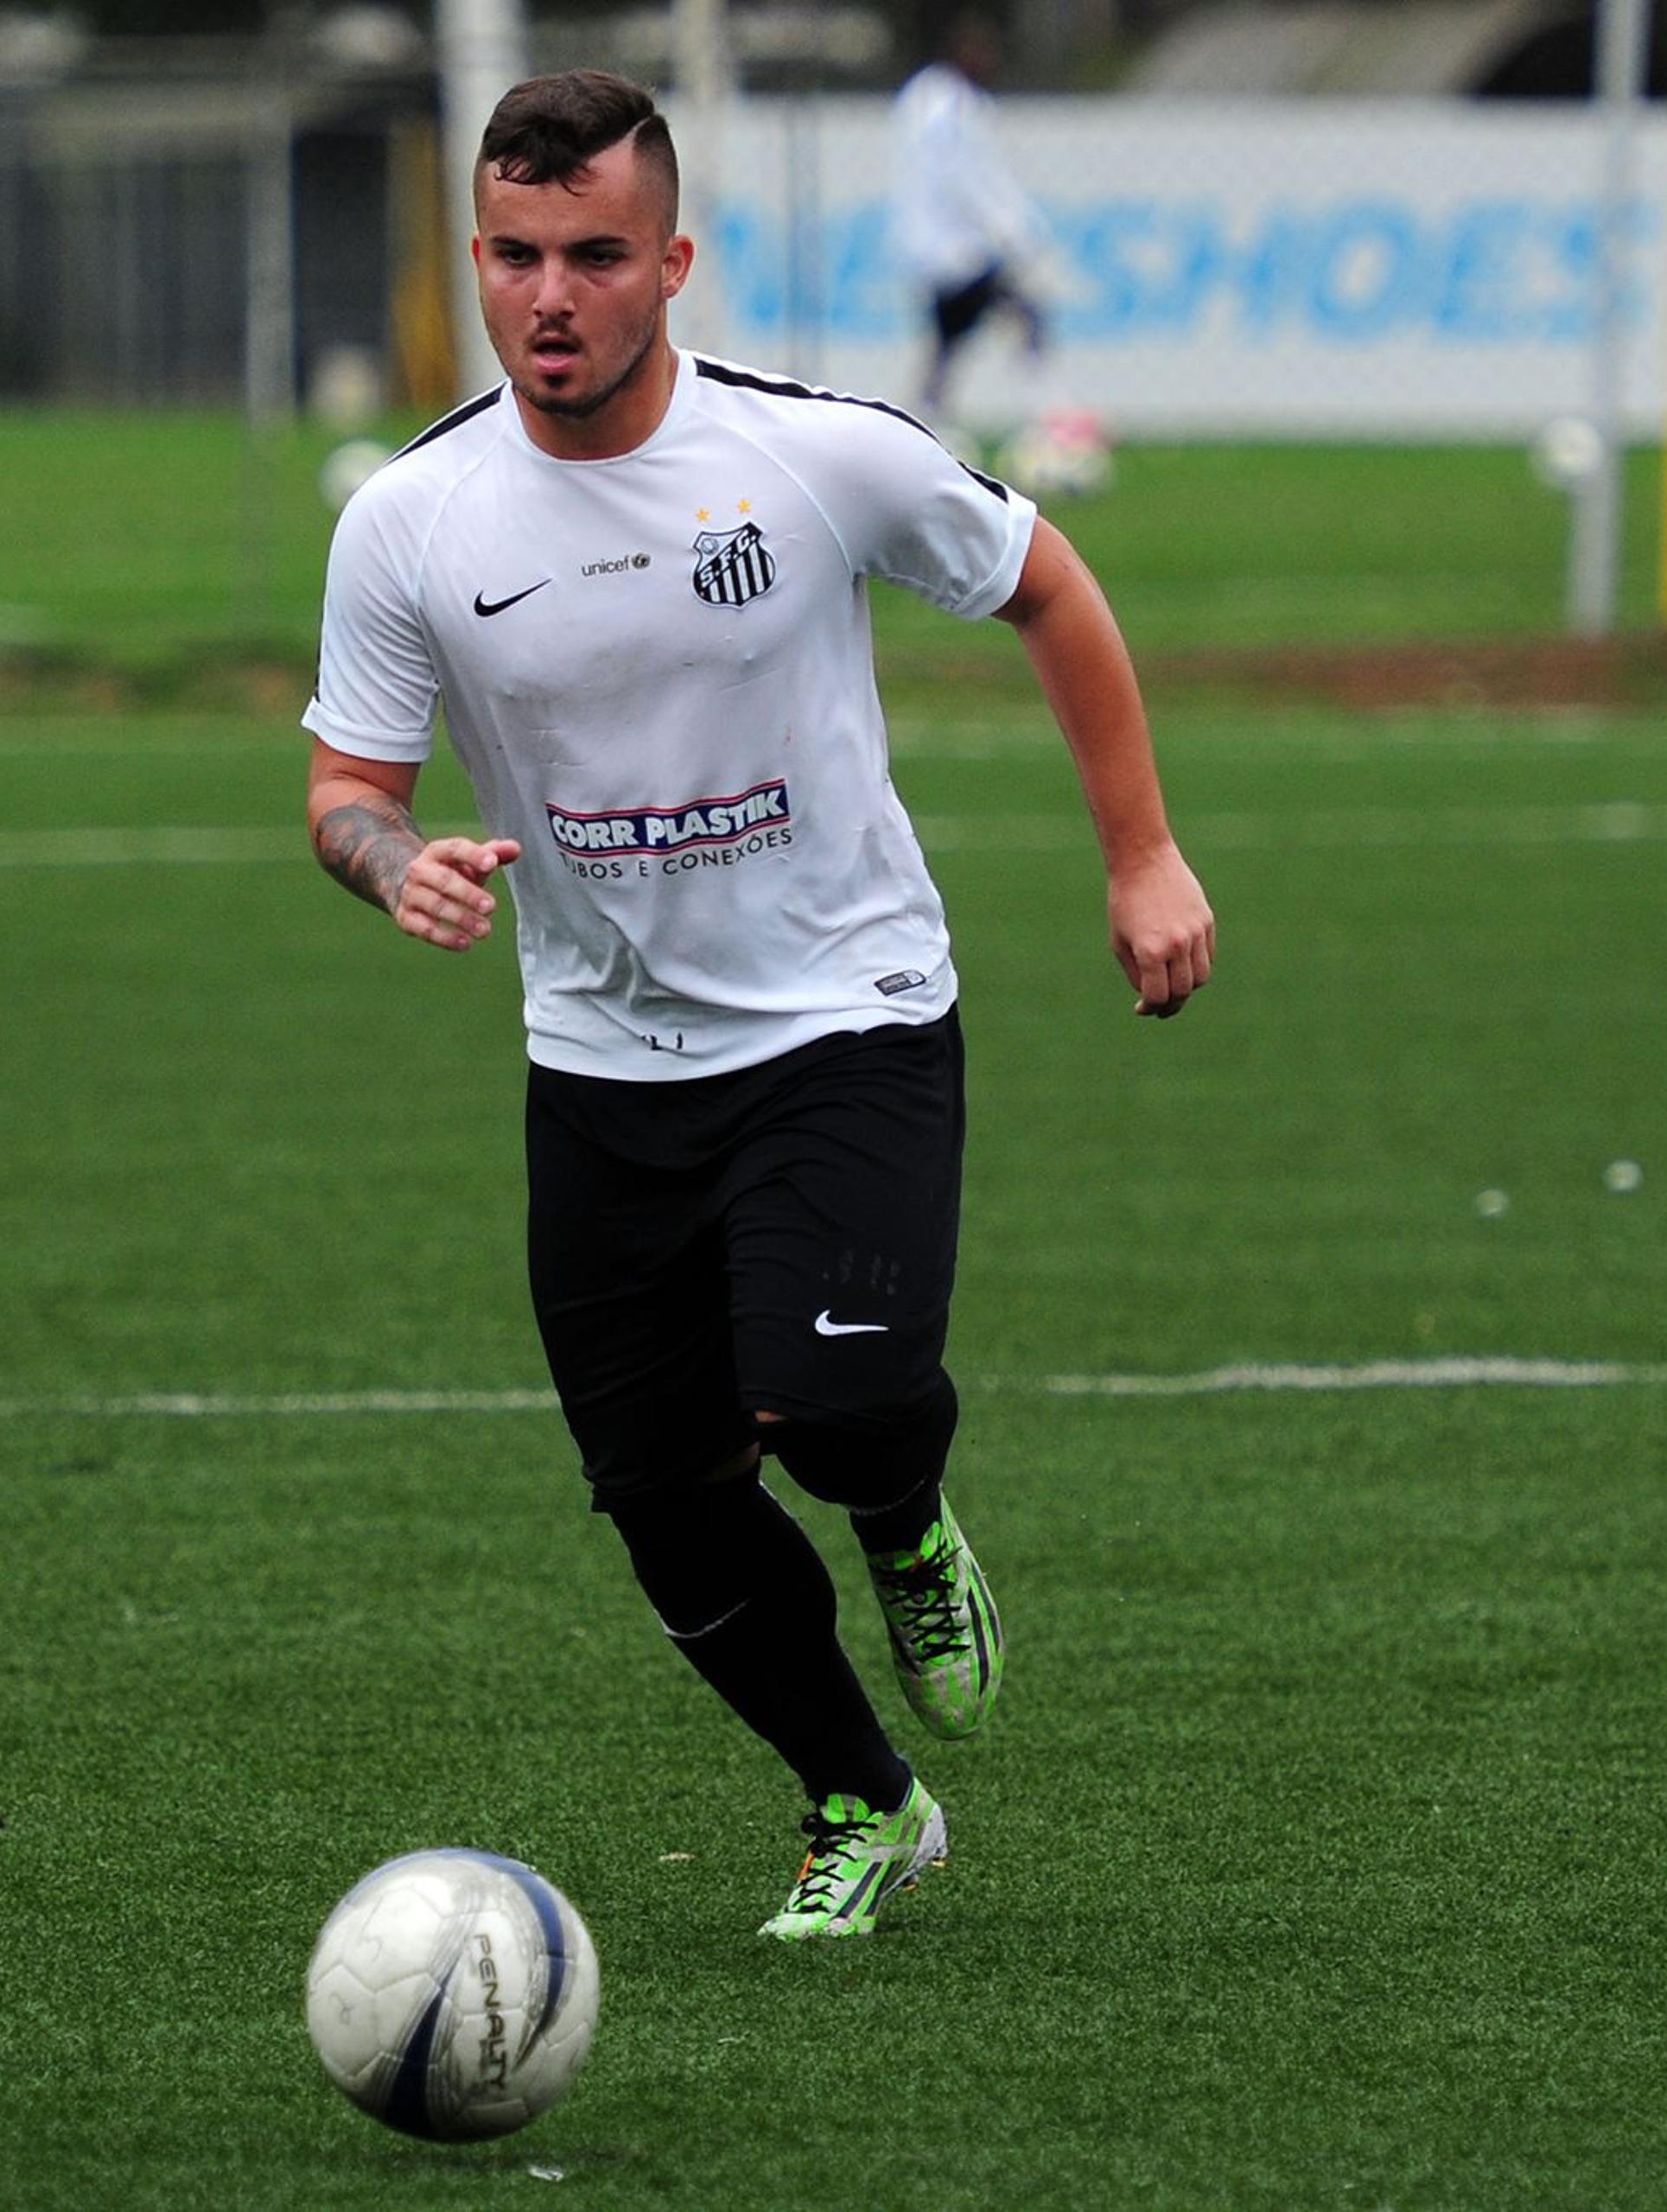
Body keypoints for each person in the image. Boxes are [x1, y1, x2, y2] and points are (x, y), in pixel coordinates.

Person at [302, 71, 1214, 1941]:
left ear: (673, 264)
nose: (549, 295)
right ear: (478, 257)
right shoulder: (409, 520)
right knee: (659, 1494)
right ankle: (866, 1802)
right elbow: (346, 791)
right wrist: (401, 868)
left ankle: (907, 1526)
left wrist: (1142, 857)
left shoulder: (813, 456)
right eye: (515, 255)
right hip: (602, 1062)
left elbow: (1048, 585)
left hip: (845, 1015)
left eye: (595, 256)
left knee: (834, 1404)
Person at [891, 17, 1050, 424]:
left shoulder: (931, 97)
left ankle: (927, 415)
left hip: (942, 249)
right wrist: (1011, 230)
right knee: (1024, 316)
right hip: (956, 251)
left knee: (952, 340)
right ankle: (1046, 413)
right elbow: (964, 178)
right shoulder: (949, 106)